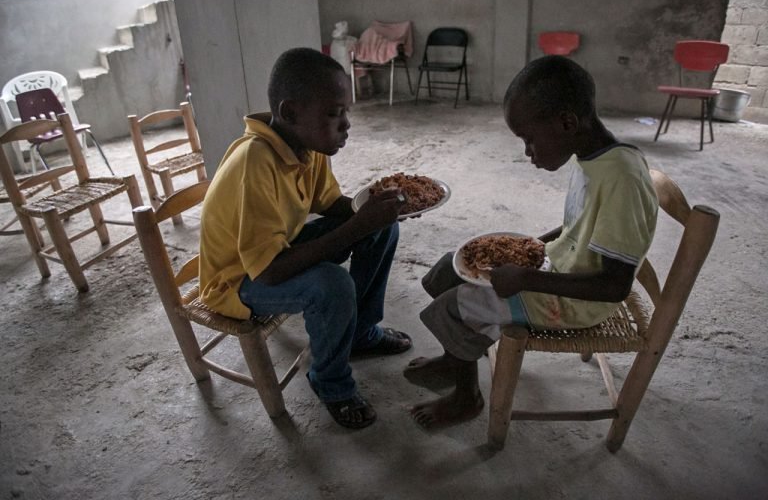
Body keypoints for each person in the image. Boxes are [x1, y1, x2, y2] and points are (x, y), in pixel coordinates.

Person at [404, 55, 659, 429]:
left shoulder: (622, 179)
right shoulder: (595, 156)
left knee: (453, 308)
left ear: (567, 122)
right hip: (556, 273)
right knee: (446, 269)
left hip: (575, 303)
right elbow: (580, 226)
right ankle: (458, 355)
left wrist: (525, 279)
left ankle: (466, 397)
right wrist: (533, 246)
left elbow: (614, 286)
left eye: (529, 139)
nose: (527, 152)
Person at [199, 47, 412, 430]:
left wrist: (373, 208)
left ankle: (361, 333)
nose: (346, 124)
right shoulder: (255, 162)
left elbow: (329, 202)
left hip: (277, 251)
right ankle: (330, 383)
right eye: (334, 114)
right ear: (291, 113)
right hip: (237, 281)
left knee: (382, 227)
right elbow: (268, 272)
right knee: (332, 285)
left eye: (345, 111)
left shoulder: (306, 146)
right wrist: (358, 225)